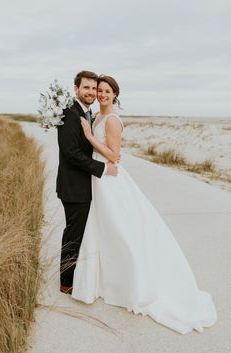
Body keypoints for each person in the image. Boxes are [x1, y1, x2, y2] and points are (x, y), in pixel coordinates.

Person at [71, 75, 217, 334]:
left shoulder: (113, 120)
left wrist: (89, 136)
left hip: (110, 179)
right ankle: (104, 281)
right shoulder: (97, 117)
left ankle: (131, 282)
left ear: (115, 95)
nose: (102, 95)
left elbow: (115, 156)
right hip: (100, 177)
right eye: (99, 91)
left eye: (107, 91)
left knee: (118, 228)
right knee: (103, 227)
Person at [56, 70, 118, 294]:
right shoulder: (69, 114)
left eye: (95, 88)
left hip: (85, 185)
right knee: (73, 234)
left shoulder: (87, 113)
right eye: (87, 88)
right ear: (76, 89)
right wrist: (103, 168)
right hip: (74, 186)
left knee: (82, 232)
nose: (92, 92)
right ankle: (66, 282)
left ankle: (80, 275)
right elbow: (71, 153)